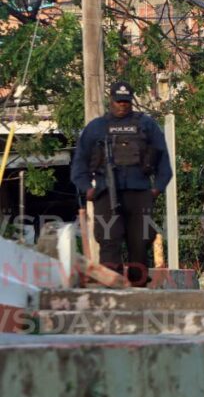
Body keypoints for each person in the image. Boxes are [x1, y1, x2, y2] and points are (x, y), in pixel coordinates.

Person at [71, 81, 173, 287]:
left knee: (140, 242)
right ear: (111, 100)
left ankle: (138, 284)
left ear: (131, 101)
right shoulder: (96, 128)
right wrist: (87, 188)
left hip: (139, 193)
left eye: (126, 101)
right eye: (119, 101)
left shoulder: (146, 125)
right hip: (106, 192)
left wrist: (156, 188)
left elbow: (163, 160)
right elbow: (79, 163)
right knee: (109, 240)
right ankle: (111, 284)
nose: (122, 105)